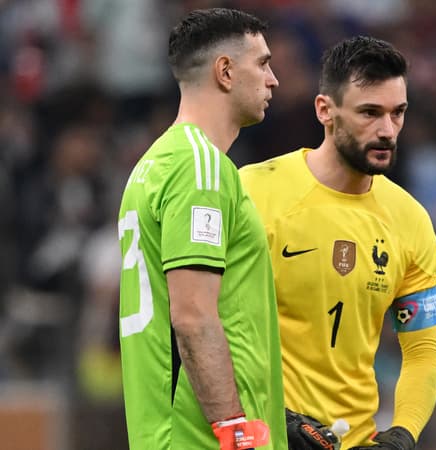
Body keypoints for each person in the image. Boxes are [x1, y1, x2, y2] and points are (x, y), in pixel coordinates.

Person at [240, 36, 436, 450]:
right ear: (325, 111)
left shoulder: (410, 220)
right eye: (370, 113)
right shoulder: (253, 193)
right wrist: (265, 419)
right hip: (263, 439)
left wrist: (403, 432)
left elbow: (422, 350)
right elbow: (205, 323)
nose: (387, 131)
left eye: (397, 113)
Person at [117, 8, 287, 449]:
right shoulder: (200, 166)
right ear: (225, 72)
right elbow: (193, 316)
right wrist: (235, 431)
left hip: (174, 432)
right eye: (263, 64)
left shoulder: (156, 162)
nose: (273, 81)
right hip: (202, 439)